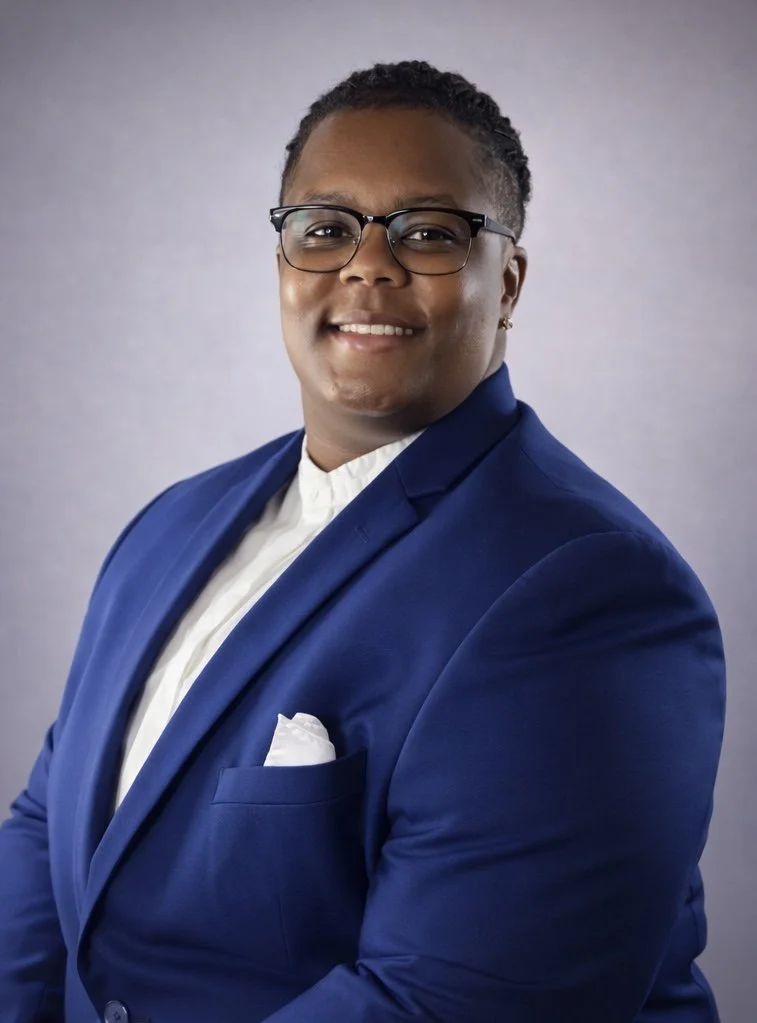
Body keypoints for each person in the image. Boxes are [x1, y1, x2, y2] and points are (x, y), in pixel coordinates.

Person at [0, 60, 725, 1023]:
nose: (367, 265)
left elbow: (445, 1002)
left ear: (504, 282)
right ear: (284, 263)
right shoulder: (167, 527)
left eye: (428, 232)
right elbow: (53, 831)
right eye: (326, 229)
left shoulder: (586, 589)